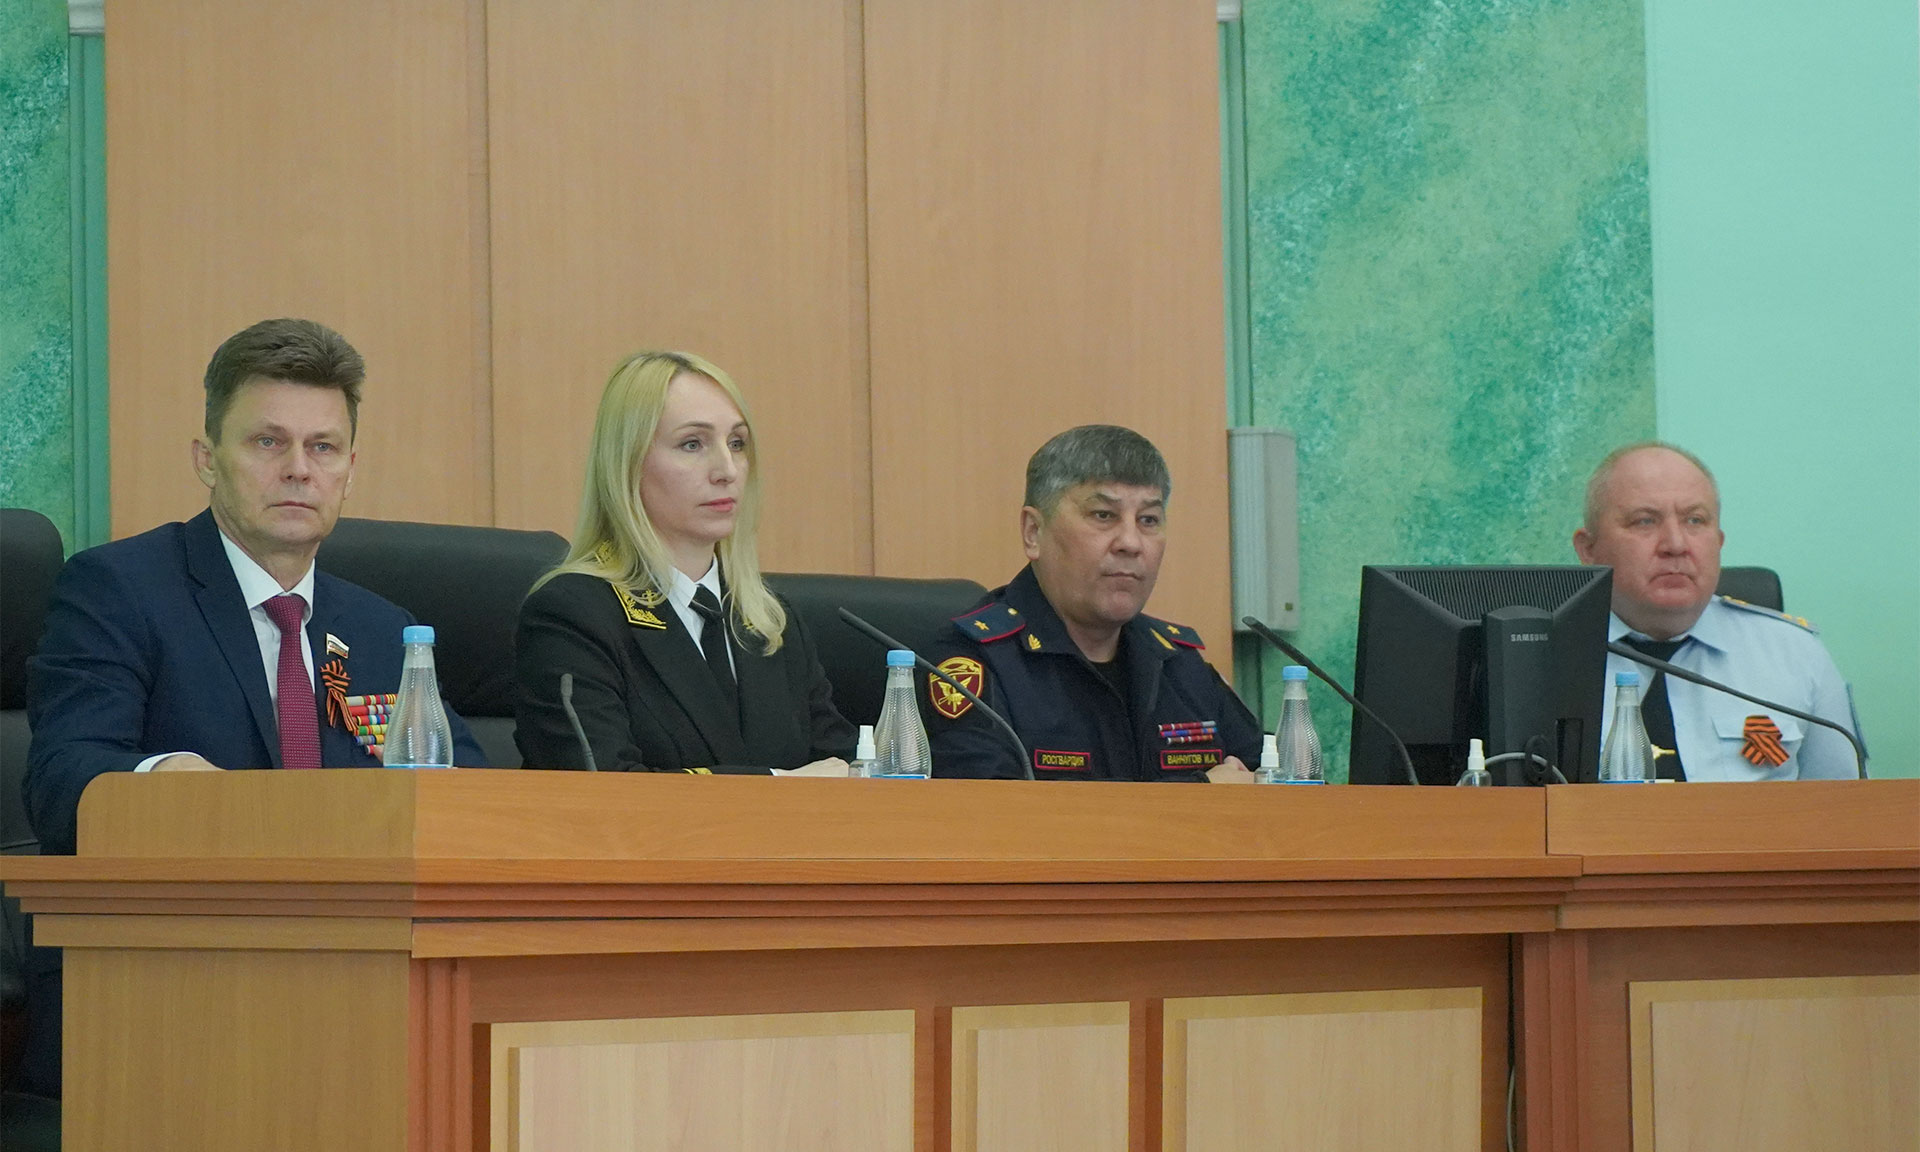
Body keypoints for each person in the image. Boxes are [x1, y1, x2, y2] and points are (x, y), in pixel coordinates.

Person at [20, 317, 487, 1098]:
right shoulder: (120, 589)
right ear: (207, 458)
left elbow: (463, 789)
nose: (298, 469)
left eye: (323, 447)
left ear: (349, 471)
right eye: (268, 442)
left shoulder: (380, 631)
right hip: (163, 999)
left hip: (359, 996)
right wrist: (170, 782)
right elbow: (62, 782)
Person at [513, 351, 855, 774]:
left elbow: (842, 764)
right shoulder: (573, 615)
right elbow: (600, 787)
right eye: (692, 444)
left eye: (737, 443)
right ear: (627, 464)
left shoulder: (769, 619)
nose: (727, 470)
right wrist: (780, 784)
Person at [925, 425, 1262, 781]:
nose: (1131, 543)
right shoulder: (971, 664)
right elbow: (989, 809)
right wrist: (1200, 794)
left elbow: (1275, 779)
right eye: (1103, 515)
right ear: (1033, 532)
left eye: (1148, 520)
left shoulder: (1179, 664)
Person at [1573, 441, 1861, 780]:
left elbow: (1848, 805)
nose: (1676, 545)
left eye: (1695, 520)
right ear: (1588, 549)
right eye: (1645, 521)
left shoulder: (1796, 655)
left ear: (1718, 542)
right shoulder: (1542, 659)